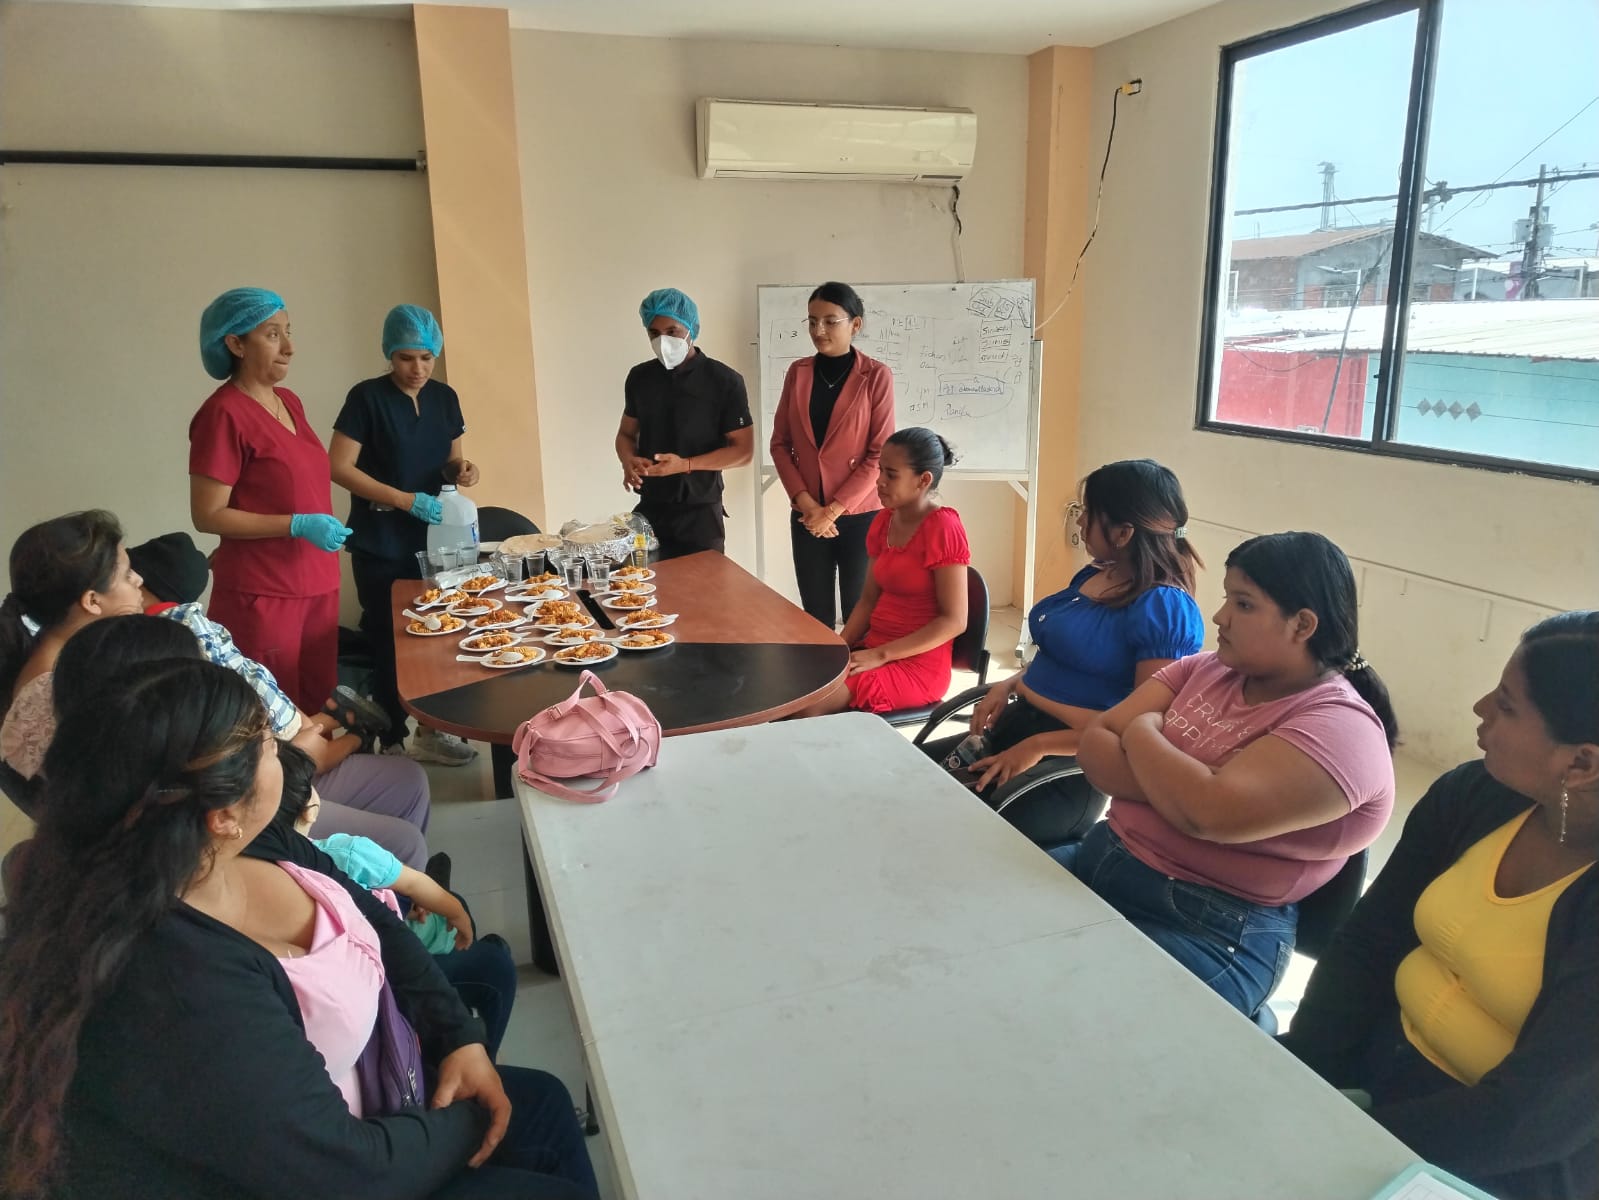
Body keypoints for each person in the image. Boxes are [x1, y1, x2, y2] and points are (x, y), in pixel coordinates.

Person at [0, 658, 598, 1199]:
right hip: (344, 1166)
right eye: (267, 742)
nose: (286, 750)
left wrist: (458, 1038)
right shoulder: (175, 979)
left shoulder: (250, 844)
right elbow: (347, 1171)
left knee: (542, 1104)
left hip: (378, 1099)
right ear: (223, 813)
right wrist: (470, 1115)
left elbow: (373, 918)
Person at [1281, 612, 1598, 1200]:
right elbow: (1366, 947)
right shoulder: (1472, 794)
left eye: (1506, 706)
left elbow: (1531, 1118)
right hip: (1375, 1068)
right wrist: (1301, 1075)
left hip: (1498, 1161)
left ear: (1581, 763)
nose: (1480, 709)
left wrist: (1347, 1140)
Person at [1072, 531, 1399, 1016]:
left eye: (1243, 604)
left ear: (1302, 624)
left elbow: (1205, 814)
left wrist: (1142, 733)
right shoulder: (1205, 670)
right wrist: (1185, 788)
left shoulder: (1340, 728)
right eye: (1227, 598)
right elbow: (1095, 744)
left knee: (1076, 1001)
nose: (1220, 617)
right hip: (1102, 860)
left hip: (1211, 927)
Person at [52, 599, 433, 870]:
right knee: (403, 844)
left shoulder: (150, 764)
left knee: (406, 788)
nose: (136, 580)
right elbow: (288, 786)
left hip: (282, 799)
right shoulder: (201, 811)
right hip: (282, 811)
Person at [938, 460, 1206, 838]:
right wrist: (1009, 684)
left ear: (1124, 532)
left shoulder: (1163, 607)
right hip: (1016, 730)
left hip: (1063, 766)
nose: (1079, 522)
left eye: (1088, 513)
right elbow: (1062, 658)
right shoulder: (1095, 574)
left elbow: (1139, 728)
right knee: (906, 783)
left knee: (951, 832)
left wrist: (1040, 744)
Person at [281, 747, 520, 1062]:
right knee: (486, 952)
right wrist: (456, 912)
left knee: (433, 903)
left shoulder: (263, 876)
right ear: (311, 809)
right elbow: (414, 883)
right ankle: (484, 1060)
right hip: (389, 966)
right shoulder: (345, 852)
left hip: (352, 967)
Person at [190, 286, 351, 713]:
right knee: (273, 716)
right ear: (236, 344)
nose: (289, 348)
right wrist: (295, 524)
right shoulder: (223, 414)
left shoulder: (289, 402)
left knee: (318, 708)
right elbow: (208, 514)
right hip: (264, 593)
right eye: (273, 334)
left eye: (288, 332)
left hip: (318, 580)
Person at [330, 304, 479, 766]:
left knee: (440, 633)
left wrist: (465, 470)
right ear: (389, 355)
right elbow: (339, 467)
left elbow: (451, 462)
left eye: (426, 358)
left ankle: (432, 731)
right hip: (382, 538)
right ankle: (391, 737)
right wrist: (402, 499)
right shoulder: (366, 398)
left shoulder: (445, 398)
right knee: (389, 639)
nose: (417, 368)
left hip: (435, 537)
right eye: (406, 358)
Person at [792, 428, 970, 717]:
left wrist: (880, 655)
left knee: (807, 707)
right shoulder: (883, 521)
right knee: (790, 688)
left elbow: (954, 621)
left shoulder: (944, 527)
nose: (879, 482)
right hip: (873, 650)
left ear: (923, 480)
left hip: (917, 666)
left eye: (891, 475)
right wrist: (840, 648)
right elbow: (868, 601)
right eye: (880, 471)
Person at [769, 282, 895, 627]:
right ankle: (822, 666)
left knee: (859, 613)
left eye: (830, 321)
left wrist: (833, 511)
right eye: (812, 321)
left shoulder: (876, 376)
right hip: (807, 513)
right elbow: (779, 444)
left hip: (860, 514)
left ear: (855, 324)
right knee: (815, 616)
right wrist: (809, 506)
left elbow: (879, 454)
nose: (818, 330)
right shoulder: (798, 373)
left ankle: (856, 668)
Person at [1, 511, 143, 779]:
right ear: (92, 601)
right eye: (127, 575)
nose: (139, 580)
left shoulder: (82, 653)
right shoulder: (47, 692)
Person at [616, 287, 753, 558]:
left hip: (700, 512)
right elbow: (626, 435)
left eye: (672, 331)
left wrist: (686, 465)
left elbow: (743, 451)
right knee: (646, 583)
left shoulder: (724, 381)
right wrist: (628, 460)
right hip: (650, 509)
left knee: (701, 584)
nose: (663, 341)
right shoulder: (640, 378)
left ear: (691, 329)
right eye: (654, 333)